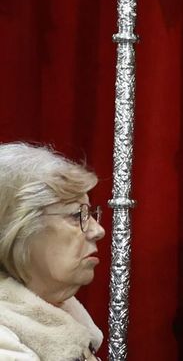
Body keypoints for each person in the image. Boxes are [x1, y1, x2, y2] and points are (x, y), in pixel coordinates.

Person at [0, 143, 105, 361]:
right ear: (18, 230)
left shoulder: (71, 321)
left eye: (92, 214)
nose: (98, 230)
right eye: (77, 216)